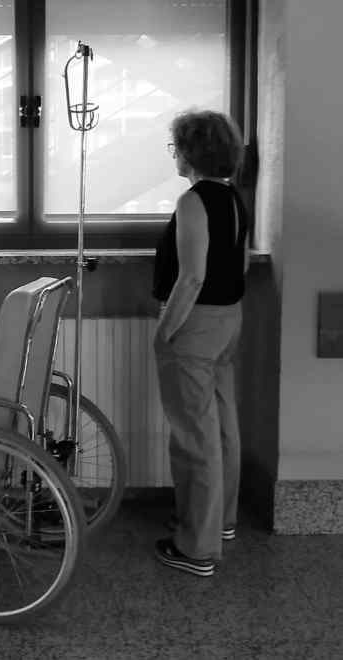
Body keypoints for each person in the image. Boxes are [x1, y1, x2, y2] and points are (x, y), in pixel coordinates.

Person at [152, 109, 250, 577]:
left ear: (191, 152)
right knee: (222, 428)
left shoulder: (193, 201)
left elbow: (191, 277)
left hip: (195, 325)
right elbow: (240, 266)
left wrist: (164, 331)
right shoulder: (234, 198)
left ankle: (196, 549)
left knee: (195, 435)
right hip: (229, 320)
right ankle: (220, 522)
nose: (174, 154)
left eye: (176, 146)